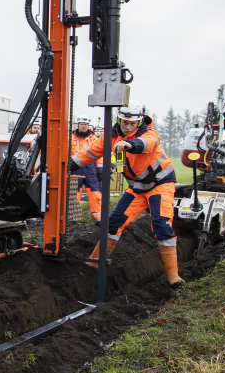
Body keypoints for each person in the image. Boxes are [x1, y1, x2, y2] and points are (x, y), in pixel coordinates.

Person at [70, 102, 184, 288]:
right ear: (119, 119)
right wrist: (67, 165)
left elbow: (146, 144)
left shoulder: (149, 133)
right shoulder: (111, 137)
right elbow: (89, 153)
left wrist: (129, 144)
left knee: (161, 225)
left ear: (139, 122)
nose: (128, 126)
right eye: (124, 122)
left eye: (132, 123)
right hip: (137, 188)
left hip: (160, 184)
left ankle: (174, 277)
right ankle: (94, 263)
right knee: (113, 223)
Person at [70, 117, 103, 223]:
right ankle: (73, 217)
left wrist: (100, 168)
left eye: (85, 124)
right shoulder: (70, 138)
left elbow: (100, 154)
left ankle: (98, 217)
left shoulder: (94, 139)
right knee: (73, 193)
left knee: (95, 193)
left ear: (88, 126)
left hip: (90, 169)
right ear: (78, 125)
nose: (83, 126)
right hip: (75, 169)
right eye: (81, 124)